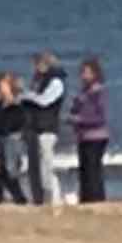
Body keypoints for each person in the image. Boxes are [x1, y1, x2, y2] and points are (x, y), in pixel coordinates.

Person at [20, 52, 70, 206]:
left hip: (47, 128)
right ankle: (40, 199)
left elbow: (45, 101)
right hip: (36, 128)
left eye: (38, 64)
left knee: (46, 165)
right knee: (37, 166)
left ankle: (55, 198)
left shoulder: (56, 82)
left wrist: (26, 96)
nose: (35, 68)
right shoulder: (40, 81)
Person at [69, 57, 111, 204]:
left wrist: (80, 119)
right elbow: (75, 109)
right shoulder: (83, 92)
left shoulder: (99, 92)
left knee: (93, 170)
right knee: (84, 170)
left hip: (97, 136)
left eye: (87, 73)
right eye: (82, 73)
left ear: (95, 74)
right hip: (83, 136)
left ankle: (97, 199)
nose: (84, 76)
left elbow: (100, 116)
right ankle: (85, 198)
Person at [0, 71, 31, 205]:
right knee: (0, 170)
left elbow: (20, 121)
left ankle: (18, 198)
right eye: (0, 85)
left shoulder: (17, 103)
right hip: (0, 138)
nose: (0, 88)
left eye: (3, 85)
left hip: (13, 138)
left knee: (9, 170)